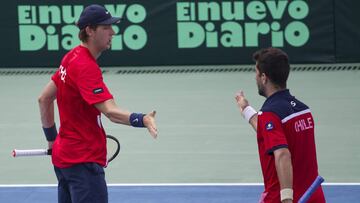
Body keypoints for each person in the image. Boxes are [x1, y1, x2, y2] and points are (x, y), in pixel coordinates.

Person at [38, 4, 158, 203]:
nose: (113, 32)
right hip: (83, 163)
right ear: (90, 31)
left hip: (64, 159)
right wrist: (142, 119)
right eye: (106, 28)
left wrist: (52, 140)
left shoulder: (71, 57)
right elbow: (110, 111)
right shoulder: (86, 67)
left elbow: (44, 99)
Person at [235, 48, 325, 203]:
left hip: (281, 198)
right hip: (313, 196)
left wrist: (286, 198)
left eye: (256, 73)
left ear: (264, 77)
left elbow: (282, 153)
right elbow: (270, 133)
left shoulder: (270, 114)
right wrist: (246, 110)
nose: (254, 77)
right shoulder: (303, 110)